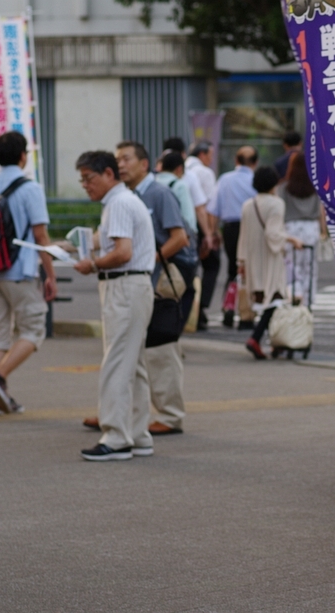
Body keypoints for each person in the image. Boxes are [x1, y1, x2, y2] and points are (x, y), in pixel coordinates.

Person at [78, 142, 195, 437]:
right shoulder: (129, 198)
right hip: (140, 281)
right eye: (118, 159)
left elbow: (179, 238)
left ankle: (146, 423)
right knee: (135, 359)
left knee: (149, 354)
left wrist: (146, 259)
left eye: (126, 159)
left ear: (145, 163)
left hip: (149, 282)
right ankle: (135, 428)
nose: (121, 164)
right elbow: (105, 240)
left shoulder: (153, 194)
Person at [73, 151, 156, 461]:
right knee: (131, 363)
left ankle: (116, 436)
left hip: (124, 284)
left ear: (108, 174)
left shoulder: (119, 203)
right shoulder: (123, 201)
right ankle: (137, 434)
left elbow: (122, 252)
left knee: (117, 361)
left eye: (89, 179)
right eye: (82, 180)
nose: (85, 185)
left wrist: (92, 264)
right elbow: (110, 243)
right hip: (132, 285)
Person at [0, 131, 57, 414]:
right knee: (34, 329)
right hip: (20, 271)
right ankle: (0, 377)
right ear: (23, 156)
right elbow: (41, 236)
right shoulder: (30, 188)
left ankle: (0, 399)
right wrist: (50, 276)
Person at [238, 166, 302, 359]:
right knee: (276, 297)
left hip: (252, 257)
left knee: (264, 299)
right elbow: (273, 234)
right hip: (270, 257)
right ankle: (257, 338)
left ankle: (269, 341)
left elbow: (244, 234)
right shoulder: (276, 204)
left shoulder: (248, 205)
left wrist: (241, 261)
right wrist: (291, 239)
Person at [209, 146, 258, 328]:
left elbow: (214, 209)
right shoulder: (254, 179)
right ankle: (247, 312)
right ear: (255, 163)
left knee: (232, 269)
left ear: (236, 161)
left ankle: (229, 307)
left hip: (229, 228)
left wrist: (214, 232)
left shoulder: (225, 179)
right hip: (250, 227)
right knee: (249, 269)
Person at [279, 152, 326, 308]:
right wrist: (323, 231)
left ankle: (294, 294)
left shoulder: (284, 188)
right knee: (310, 267)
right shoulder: (315, 186)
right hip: (311, 228)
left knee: (292, 265)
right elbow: (321, 211)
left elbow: (280, 210)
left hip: (291, 229)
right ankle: (308, 302)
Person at [186, 141, 219, 330]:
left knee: (189, 267)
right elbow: (206, 206)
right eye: (210, 155)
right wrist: (211, 232)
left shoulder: (183, 169)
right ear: (202, 154)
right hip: (199, 223)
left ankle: (190, 310)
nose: (211, 159)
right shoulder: (205, 173)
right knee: (212, 264)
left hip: (181, 225)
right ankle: (200, 309)